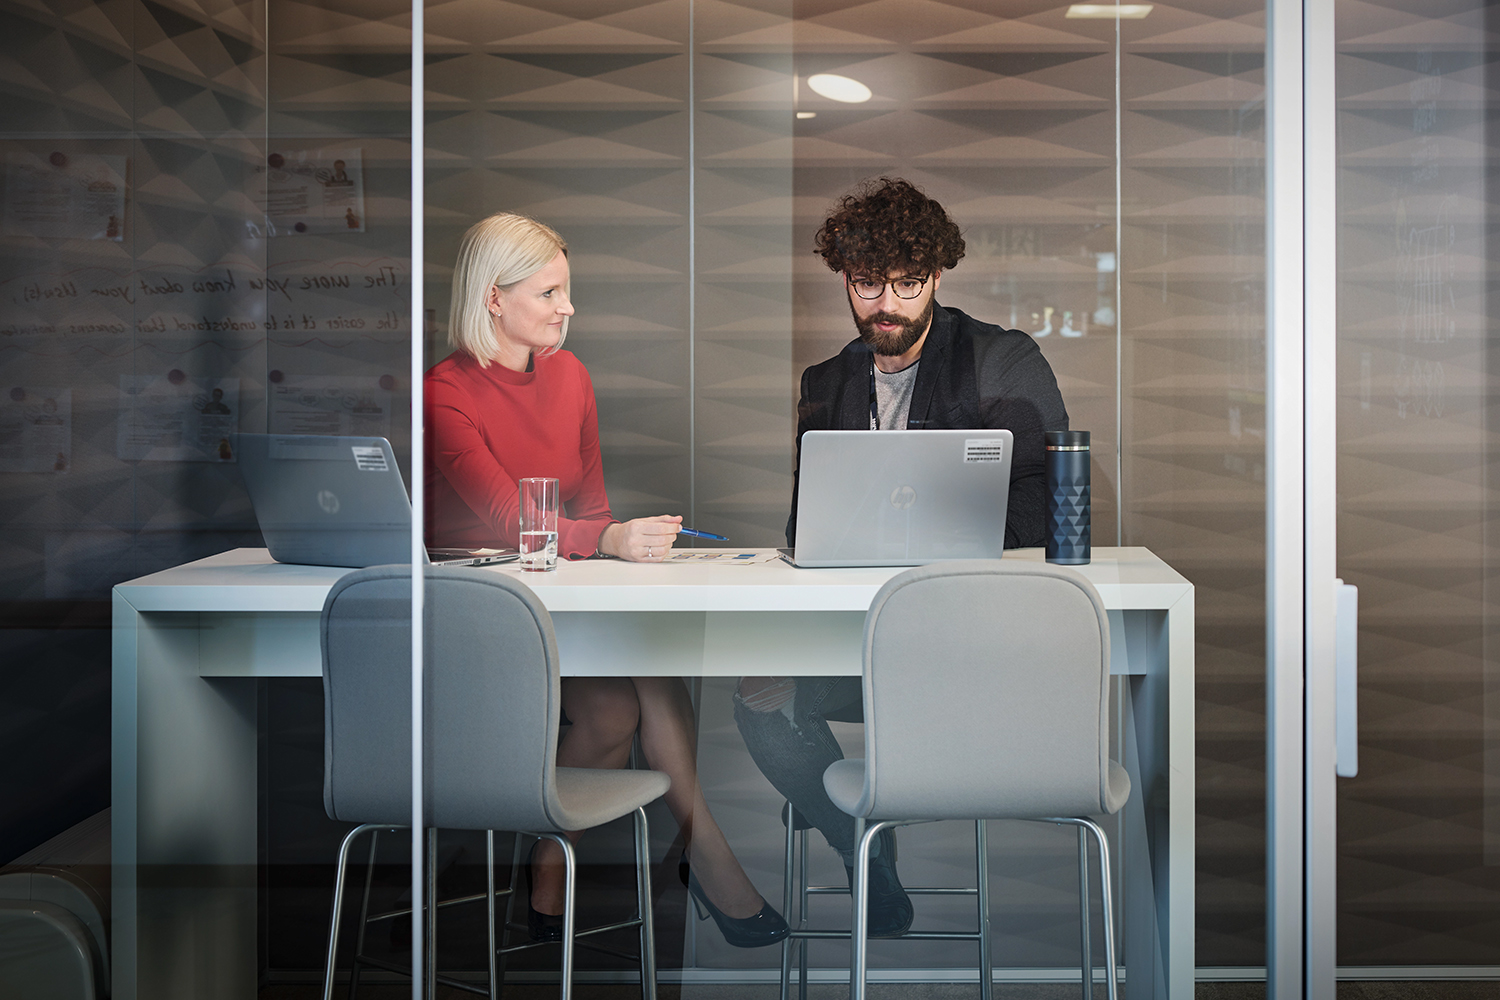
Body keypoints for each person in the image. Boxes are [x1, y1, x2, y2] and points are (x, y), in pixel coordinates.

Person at [425, 212, 788, 948]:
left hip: (563, 606)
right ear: (493, 298)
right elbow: (505, 517)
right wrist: (611, 540)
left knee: (637, 689)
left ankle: (565, 867)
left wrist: (614, 539)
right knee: (626, 702)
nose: (567, 309)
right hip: (485, 620)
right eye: (550, 292)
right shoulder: (445, 391)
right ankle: (696, 854)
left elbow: (587, 508)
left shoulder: (571, 376)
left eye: (569, 291)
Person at [734, 177, 1069, 938]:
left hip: (975, 646)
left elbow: (1046, 505)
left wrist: (918, 547)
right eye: (867, 284)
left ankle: (860, 844)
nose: (887, 302)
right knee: (759, 695)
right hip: (871, 648)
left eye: (908, 283)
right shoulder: (825, 384)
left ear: (937, 277)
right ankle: (862, 851)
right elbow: (809, 527)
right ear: (844, 281)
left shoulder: (1001, 363)